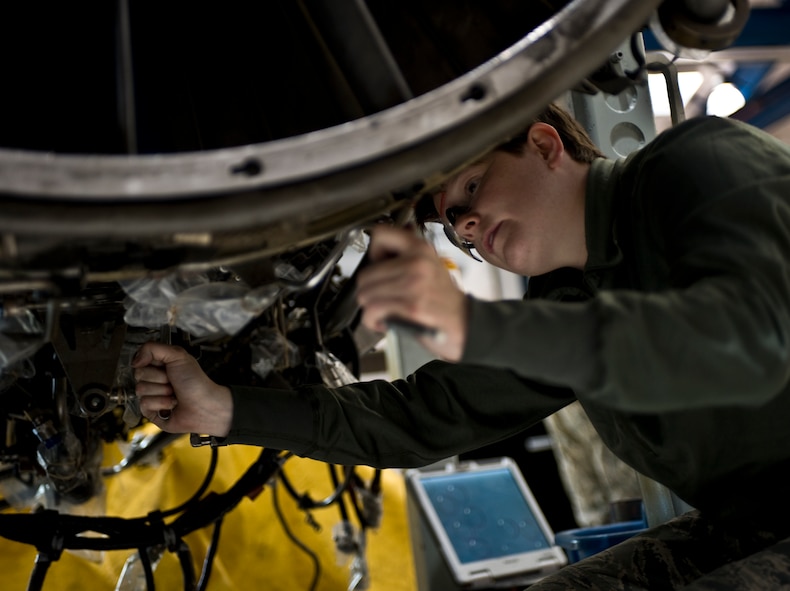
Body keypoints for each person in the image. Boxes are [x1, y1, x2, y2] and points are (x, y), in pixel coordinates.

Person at [132, 102, 790, 589]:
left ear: (544, 143)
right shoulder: (565, 300)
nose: (467, 226)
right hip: (750, 525)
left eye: (472, 187)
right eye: (454, 224)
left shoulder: (696, 165)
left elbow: (748, 339)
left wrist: (476, 325)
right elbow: (420, 414)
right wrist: (223, 409)